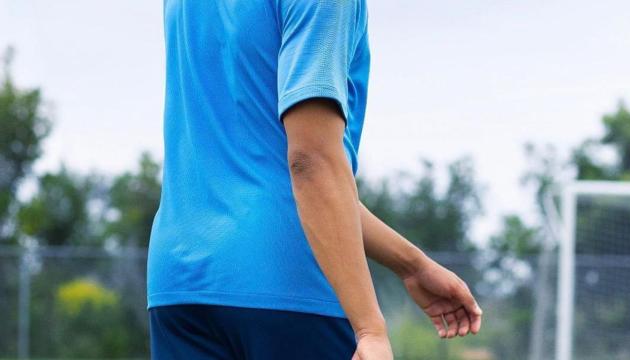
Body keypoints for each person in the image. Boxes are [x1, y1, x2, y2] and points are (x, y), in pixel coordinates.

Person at [146, 0, 483, 359]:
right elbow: (311, 163)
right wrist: (369, 327)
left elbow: (280, 175)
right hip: (289, 283)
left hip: (179, 284)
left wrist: (412, 266)